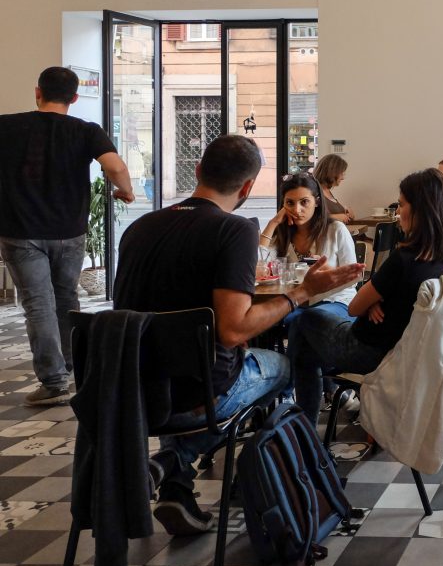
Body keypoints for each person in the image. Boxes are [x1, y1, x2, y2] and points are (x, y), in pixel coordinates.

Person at [113, 134, 362, 535]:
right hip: (199, 396)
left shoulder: (138, 228)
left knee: (234, 358)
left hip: (131, 394)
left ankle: (172, 473)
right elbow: (232, 330)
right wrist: (301, 294)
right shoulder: (233, 231)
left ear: (197, 171)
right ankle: (268, 474)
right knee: (284, 365)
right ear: (247, 188)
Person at [0, 66, 135, 406]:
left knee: (38, 305)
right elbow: (115, 166)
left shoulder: (7, 126)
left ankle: (54, 381)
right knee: (65, 302)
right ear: (74, 98)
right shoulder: (85, 131)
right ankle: (73, 367)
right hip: (70, 233)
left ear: (37, 92)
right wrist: (127, 192)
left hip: (21, 232)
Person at [289, 167, 443, 423]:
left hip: (367, 351)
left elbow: (354, 308)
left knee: (302, 321)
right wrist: (376, 300)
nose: (397, 212)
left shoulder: (403, 260)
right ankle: (325, 398)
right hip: (419, 352)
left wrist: (371, 300)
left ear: (421, 210)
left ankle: (302, 419)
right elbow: (377, 301)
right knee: (308, 340)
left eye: (402, 205)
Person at [259, 172, 359, 324]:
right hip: (297, 301)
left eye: (304, 202)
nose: (297, 210)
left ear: (317, 202)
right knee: (287, 318)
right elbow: (259, 267)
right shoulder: (283, 234)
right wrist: (273, 223)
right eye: (290, 203)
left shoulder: (336, 230)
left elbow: (354, 278)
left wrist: (328, 269)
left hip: (335, 300)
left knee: (305, 319)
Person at [312, 153, 354, 223]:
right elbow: (311, 218)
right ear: (332, 173)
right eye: (341, 174)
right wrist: (335, 217)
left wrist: (347, 215)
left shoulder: (327, 191)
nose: (343, 178)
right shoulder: (314, 192)